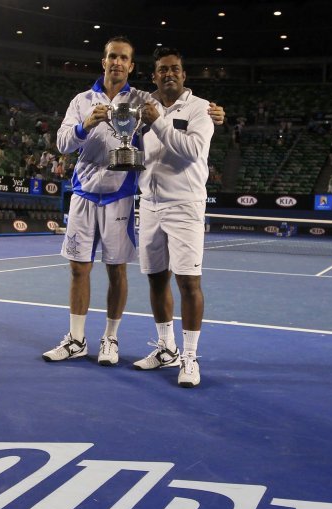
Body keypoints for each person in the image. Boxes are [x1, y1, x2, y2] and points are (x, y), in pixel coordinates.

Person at [42, 35, 224, 365]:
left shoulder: (142, 100)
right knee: (78, 270)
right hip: (83, 192)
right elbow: (62, 143)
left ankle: (110, 339)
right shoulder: (82, 100)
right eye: (112, 56)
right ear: (104, 61)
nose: (117, 62)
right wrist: (85, 125)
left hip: (122, 195)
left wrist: (214, 113)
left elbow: (173, 107)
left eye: (123, 58)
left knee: (117, 272)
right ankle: (76, 339)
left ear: (131, 65)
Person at [130, 47, 213, 388]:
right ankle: (166, 348)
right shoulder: (141, 107)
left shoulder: (201, 109)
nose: (169, 74)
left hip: (185, 205)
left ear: (183, 74)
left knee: (188, 282)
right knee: (155, 278)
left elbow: (192, 151)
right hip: (148, 203)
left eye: (175, 69)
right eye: (163, 69)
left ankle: (190, 358)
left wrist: (158, 122)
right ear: (154, 75)